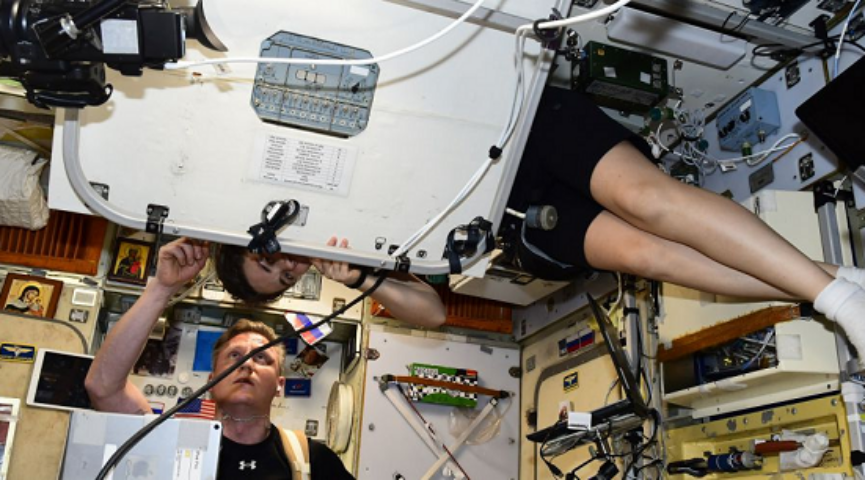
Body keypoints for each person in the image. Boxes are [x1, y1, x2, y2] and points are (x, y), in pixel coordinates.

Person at [504, 86, 865, 360]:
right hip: (511, 209)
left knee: (644, 200)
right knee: (643, 256)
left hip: (521, 126)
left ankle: (842, 302)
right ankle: (846, 283)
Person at [85, 239, 355, 479]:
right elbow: (103, 387)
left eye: (262, 358)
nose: (247, 364)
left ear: (279, 385)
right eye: (235, 356)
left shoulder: (312, 460)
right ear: (211, 381)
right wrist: (162, 288)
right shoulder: (173, 442)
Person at [215, 236, 446, 328]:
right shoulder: (341, 258)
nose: (289, 264)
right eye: (287, 277)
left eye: (268, 259)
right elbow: (435, 315)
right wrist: (359, 279)